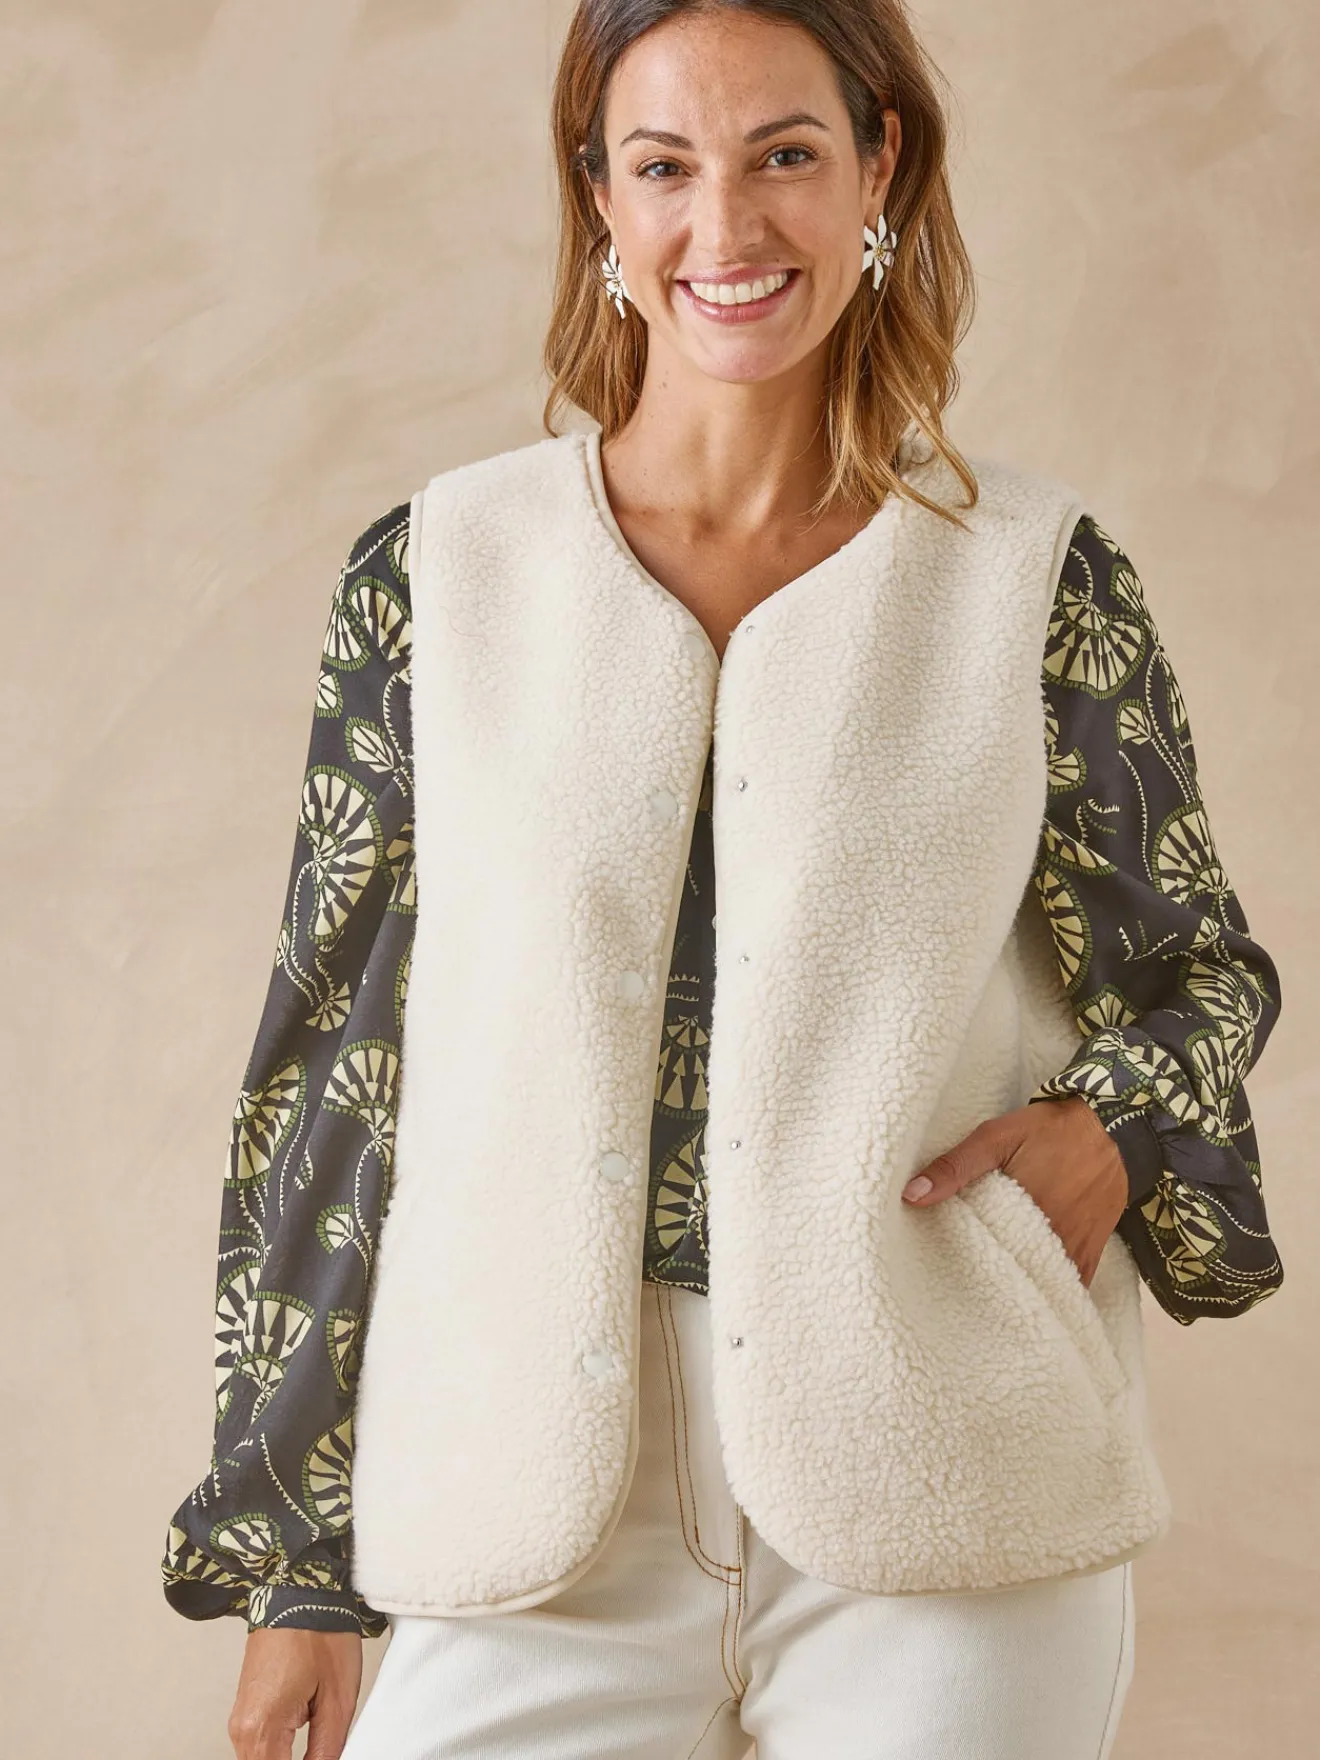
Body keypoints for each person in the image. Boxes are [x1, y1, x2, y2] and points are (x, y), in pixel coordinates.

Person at [162, 3, 1284, 1757]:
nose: (727, 226)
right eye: (665, 165)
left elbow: (1199, 971)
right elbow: (334, 1068)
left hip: (942, 1484)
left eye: (786, 156)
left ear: (878, 169)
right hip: (524, 1497)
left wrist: (1110, 1133)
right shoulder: (440, 577)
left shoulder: (1029, 579)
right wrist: (296, 1562)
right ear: (600, 195)